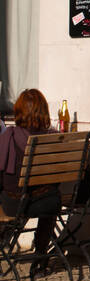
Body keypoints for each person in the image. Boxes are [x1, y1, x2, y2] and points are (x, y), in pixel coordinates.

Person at [0, 88, 60, 256]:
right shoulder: (54, 137)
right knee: (53, 197)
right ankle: (40, 260)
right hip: (46, 202)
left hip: (14, 205)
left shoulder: (9, 136)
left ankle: (3, 239)